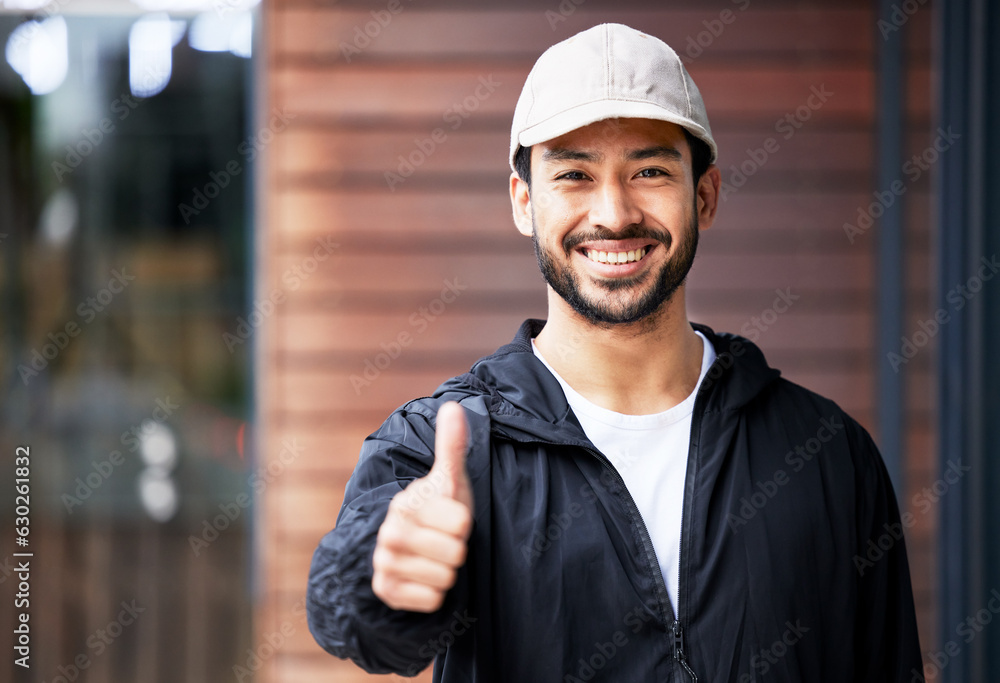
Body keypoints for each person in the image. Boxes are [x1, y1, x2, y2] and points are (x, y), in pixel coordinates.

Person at [307, 23, 923, 682]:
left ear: (705, 194)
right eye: (574, 174)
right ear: (524, 203)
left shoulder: (828, 451)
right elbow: (359, 623)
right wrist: (385, 578)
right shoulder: (441, 449)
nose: (614, 212)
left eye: (650, 170)